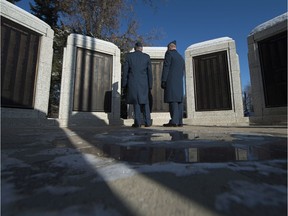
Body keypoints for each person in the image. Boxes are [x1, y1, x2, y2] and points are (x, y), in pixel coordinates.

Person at [122, 42, 153, 127]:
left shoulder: (129, 56)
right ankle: (148, 122)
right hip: (144, 83)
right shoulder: (147, 57)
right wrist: (150, 85)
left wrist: (124, 83)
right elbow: (149, 73)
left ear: (135, 48)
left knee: (136, 102)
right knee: (145, 102)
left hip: (133, 82)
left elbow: (125, 71)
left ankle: (138, 122)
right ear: (141, 48)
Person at [161, 40, 185, 127]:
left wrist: (163, 80)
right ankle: (180, 121)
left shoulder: (169, 54)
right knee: (179, 102)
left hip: (171, 81)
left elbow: (166, 67)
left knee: (173, 101)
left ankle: (174, 121)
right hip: (179, 82)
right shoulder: (181, 57)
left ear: (169, 47)